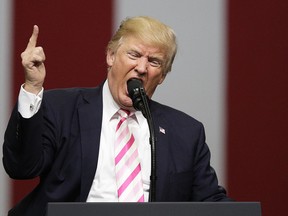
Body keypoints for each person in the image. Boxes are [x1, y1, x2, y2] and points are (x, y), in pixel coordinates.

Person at [3, 16, 232, 216]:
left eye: (154, 62)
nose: (142, 68)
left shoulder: (186, 132)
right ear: (111, 56)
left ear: (162, 76)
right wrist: (32, 87)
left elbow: (210, 202)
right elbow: (21, 167)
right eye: (134, 54)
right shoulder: (62, 108)